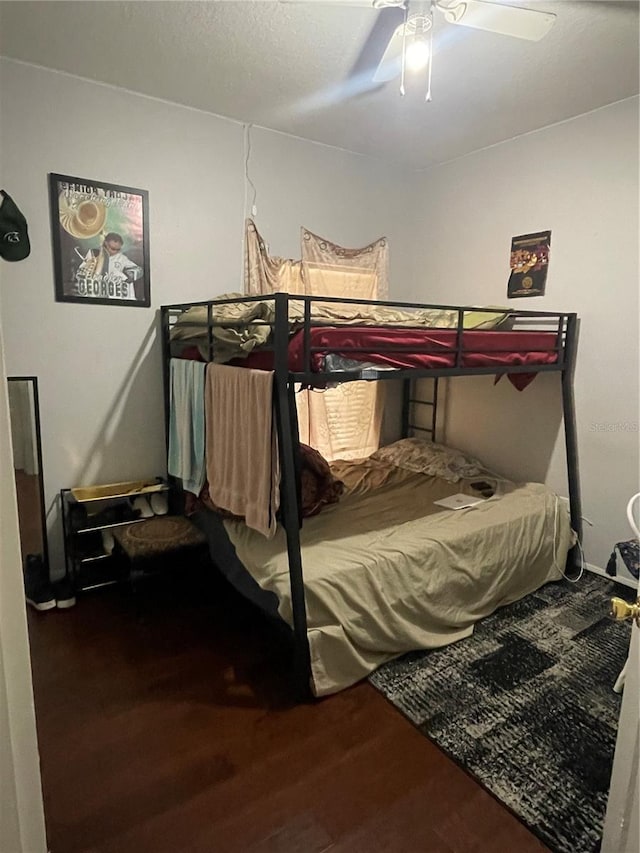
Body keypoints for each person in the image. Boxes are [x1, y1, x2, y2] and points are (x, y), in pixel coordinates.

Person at [75, 232, 142, 300]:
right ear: (106, 243)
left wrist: (128, 275)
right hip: (94, 293)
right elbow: (82, 271)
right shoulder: (93, 253)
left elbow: (139, 270)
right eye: (113, 249)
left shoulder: (121, 258)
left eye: (118, 249)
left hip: (114, 297)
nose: (115, 252)